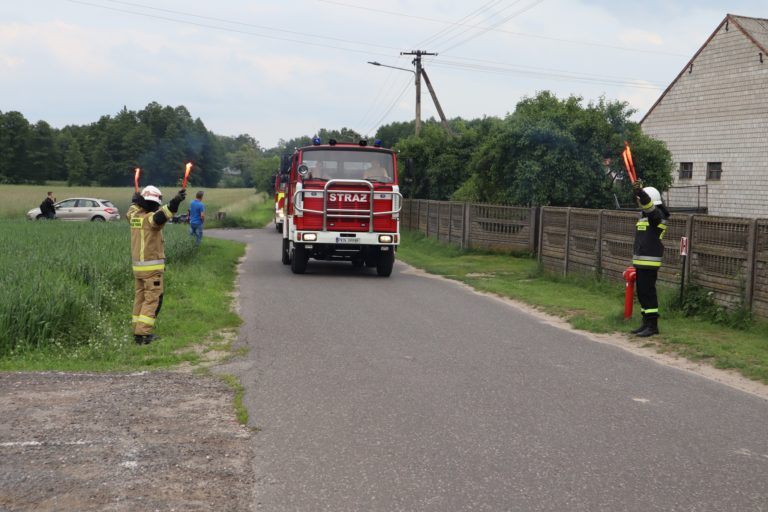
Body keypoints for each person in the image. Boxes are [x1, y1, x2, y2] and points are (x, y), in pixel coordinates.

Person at [127, 185, 186, 345]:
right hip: (151, 270)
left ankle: (136, 329)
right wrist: (175, 201)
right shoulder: (150, 219)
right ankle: (143, 335)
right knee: (152, 300)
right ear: (154, 204)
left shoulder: (133, 216)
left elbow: (133, 207)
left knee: (140, 298)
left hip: (138, 269)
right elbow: (161, 216)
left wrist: (136, 200)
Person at [630, 180, 670, 337]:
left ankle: (653, 325)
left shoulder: (658, 217)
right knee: (642, 293)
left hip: (649, 262)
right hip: (640, 262)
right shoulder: (644, 217)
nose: (640, 205)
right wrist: (636, 193)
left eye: (642, 201)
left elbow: (650, 208)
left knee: (648, 293)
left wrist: (641, 193)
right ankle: (645, 322)